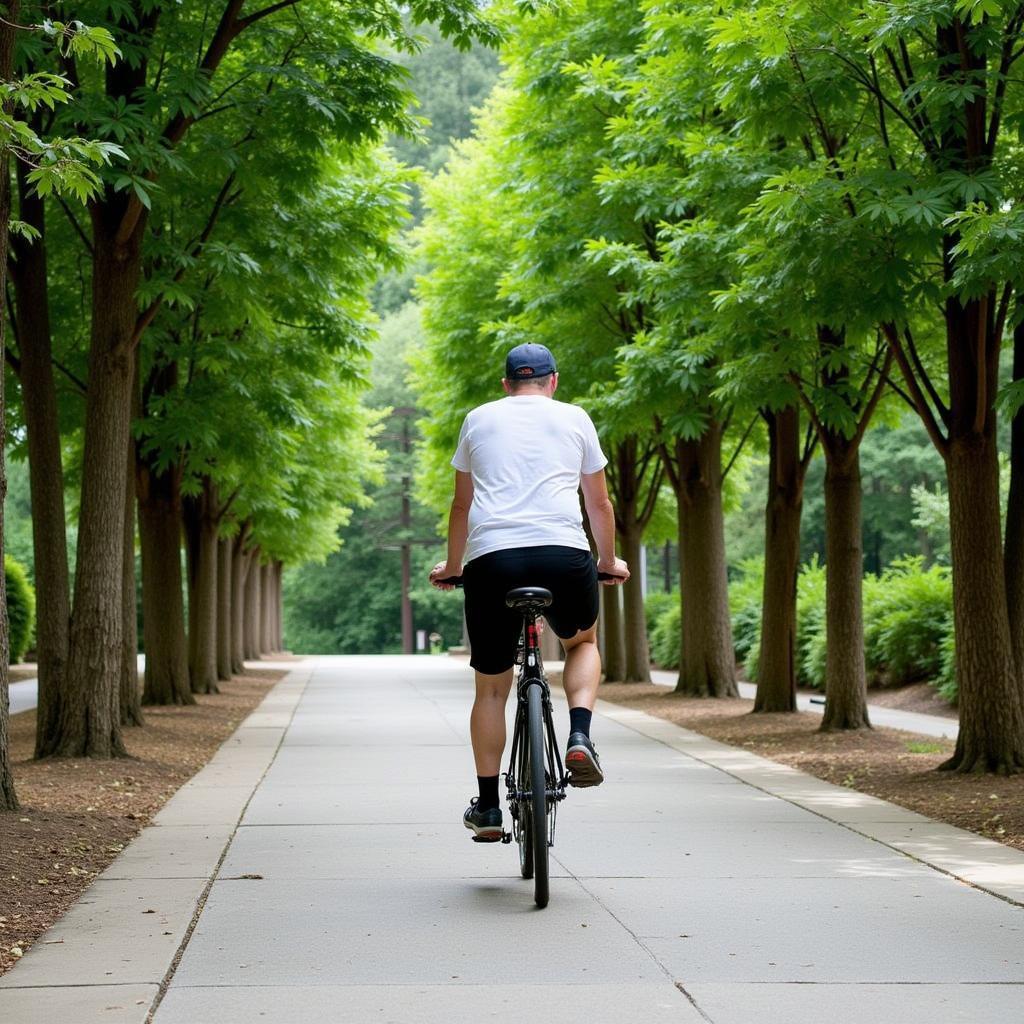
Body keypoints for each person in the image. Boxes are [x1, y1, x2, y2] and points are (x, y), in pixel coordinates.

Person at [429, 342, 629, 842]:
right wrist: (606, 562)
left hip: (493, 559)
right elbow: (598, 504)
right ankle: (579, 736)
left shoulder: (477, 419)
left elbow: (461, 505)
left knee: (492, 686)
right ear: (553, 381)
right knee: (582, 642)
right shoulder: (576, 418)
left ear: (505, 385)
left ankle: (490, 807)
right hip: (563, 554)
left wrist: (453, 567)